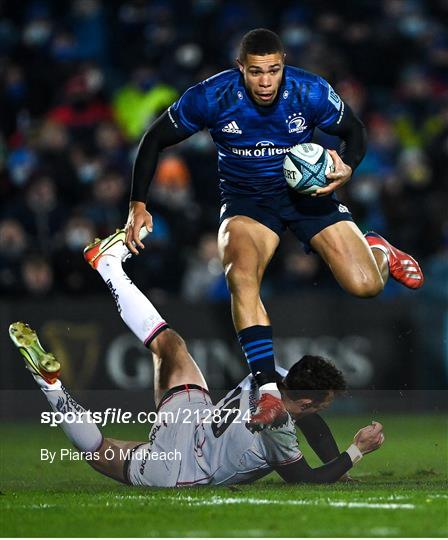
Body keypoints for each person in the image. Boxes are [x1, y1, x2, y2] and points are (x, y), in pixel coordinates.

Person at [123, 28, 423, 430]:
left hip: (307, 197)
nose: (265, 81)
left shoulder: (310, 91)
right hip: (248, 202)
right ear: (240, 69)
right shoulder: (211, 96)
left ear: (284, 65)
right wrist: (137, 205)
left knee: (366, 285)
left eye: (274, 70)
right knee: (240, 277)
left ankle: (380, 252)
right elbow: (155, 138)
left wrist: (348, 165)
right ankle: (267, 393)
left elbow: (354, 130)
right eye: (256, 72)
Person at [9, 230, 384, 486]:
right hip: (181, 471)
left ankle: (109, 266)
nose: (322, 410)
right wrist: (356, 451)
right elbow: (305, 480)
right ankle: (50, 384)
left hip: (191, 422)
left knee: (169, 343)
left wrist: (338, 464)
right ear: (304, 400)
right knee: (99, 452)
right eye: (323, 403)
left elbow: (313, 424)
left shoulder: (270, 373)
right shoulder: (279, 425)